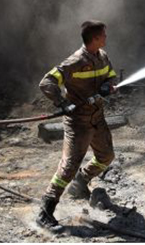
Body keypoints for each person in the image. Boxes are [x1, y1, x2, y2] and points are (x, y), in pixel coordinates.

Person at [36, 20, 118, 230]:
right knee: (68, 167)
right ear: (94, 39)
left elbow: (110, 76)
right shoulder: (75, 61)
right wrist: (62, 103)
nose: (106, 38)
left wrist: (109, 86)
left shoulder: (103, 56)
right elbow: (46, 82)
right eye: (103, 35)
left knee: (106, 156)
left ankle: (81, 182)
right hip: (78, 123)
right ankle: (45, 210)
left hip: (97, 118)